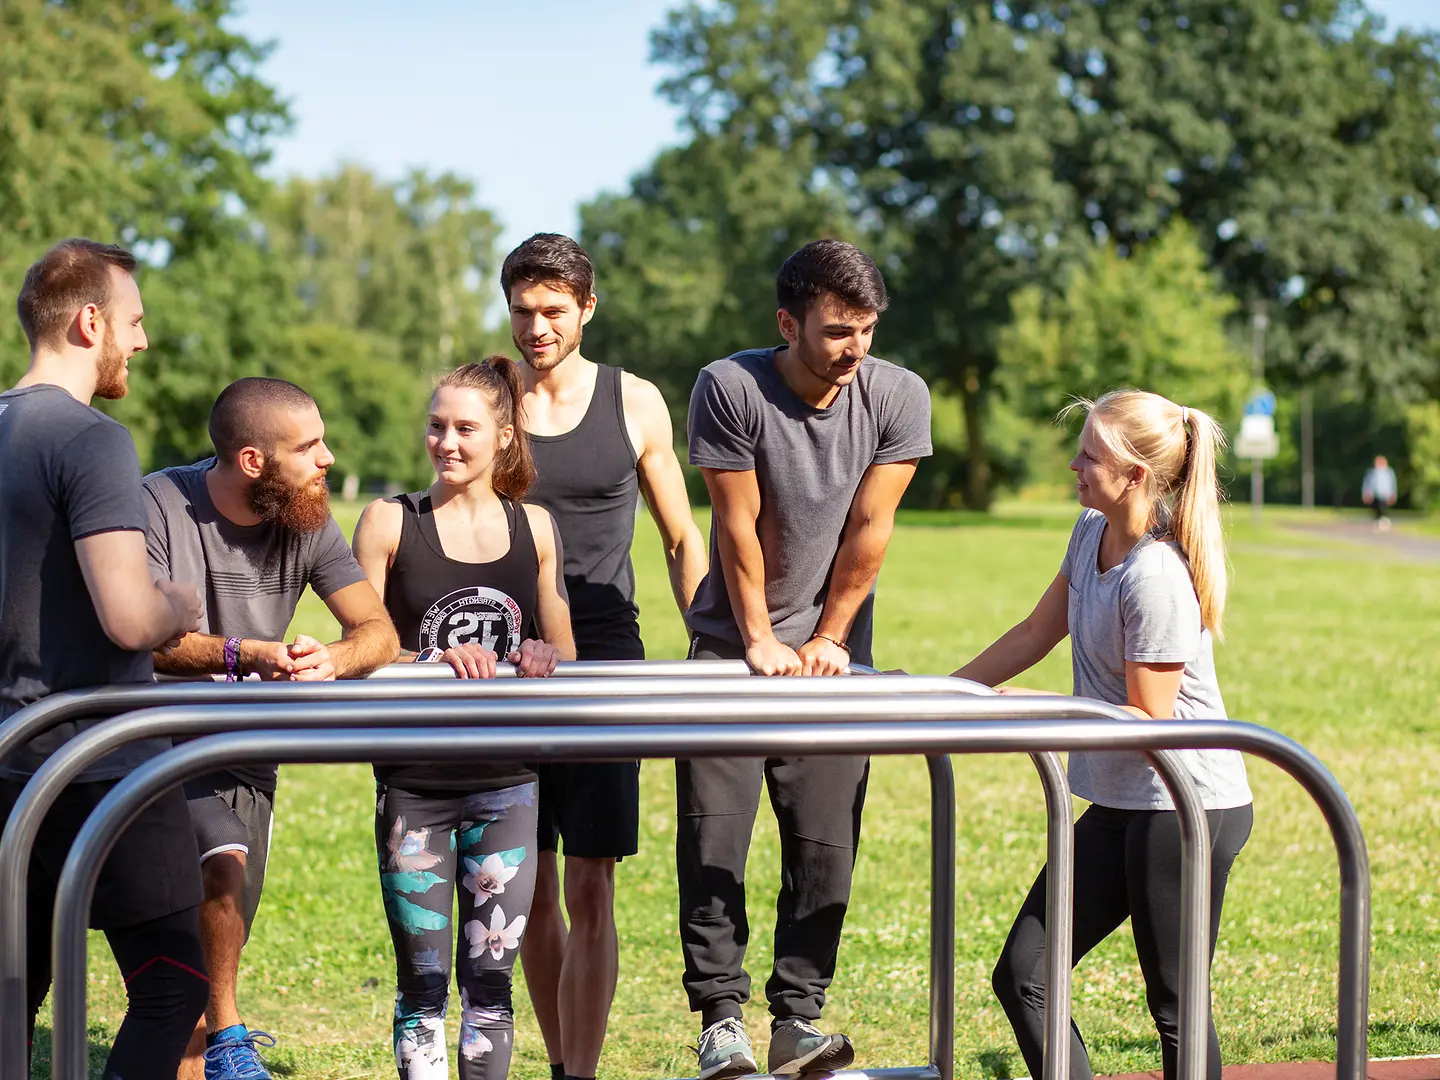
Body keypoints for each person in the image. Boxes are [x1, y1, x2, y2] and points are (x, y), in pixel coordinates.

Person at [680, 239, 932, 1078]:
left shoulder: (897, 395)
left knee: (826, 845)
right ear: (788, 323)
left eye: (865, 329)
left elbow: (871, 529)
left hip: (833, 648)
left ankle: (799, 1017)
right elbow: (736, 523)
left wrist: (827, 638)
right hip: (731, 645)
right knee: (716, 834)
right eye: (835, 332)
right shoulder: (731, 387)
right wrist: (757, 636)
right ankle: (722, 1019)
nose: (854, 348)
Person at [950, 390, 1253, 1080]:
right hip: (1125, 801)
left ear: (1136, 475)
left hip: (1185, 806)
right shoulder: (1090, 532)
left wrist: (1032, 708)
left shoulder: (1156, 578)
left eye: (1090, 455)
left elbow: (1147, 725)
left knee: (1175, 1004)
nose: (1073, 465)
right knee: (1024, 974)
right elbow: (1035, 632)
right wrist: (951, 687)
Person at [143, 376, 400, 1080]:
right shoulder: (158, 504)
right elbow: (144, 638)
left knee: (230, 900)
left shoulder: (307, 514)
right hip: (155, 734)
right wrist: (244, 652)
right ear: (253, 460)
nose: (329, 458)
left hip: (248, 743)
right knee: (217, 869)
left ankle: (208, 1035)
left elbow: (377, 630)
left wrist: (334, 658)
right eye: (309, 446)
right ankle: (220, 1038)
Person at [0, 239, 208, 1078]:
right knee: (172, 985)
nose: (143, 343)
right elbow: (130, 618)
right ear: (91, 323)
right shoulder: (92, 440)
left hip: (10, 756)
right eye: (135, 321)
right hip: (96, 758)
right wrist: (182, 601)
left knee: (17, 985)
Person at [501, 232, 707, 1080]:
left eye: (553, 311)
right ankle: (557, 1063)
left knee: (591, 882)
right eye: (522, 310)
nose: (536, 327)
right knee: (529, 885)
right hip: (508, 659)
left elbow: (680, 534)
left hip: (603, 660)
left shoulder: (635, 400)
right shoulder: (490, 396)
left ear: (587, 308)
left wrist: (712, 643)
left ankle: (578, 1072)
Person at [352, 356, 576, 1079]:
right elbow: (359, 647)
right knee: (422, 989)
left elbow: (564, 647)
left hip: (508, 783)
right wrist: (431, 660)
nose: (447, 442)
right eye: (436, 426)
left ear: (504, 439)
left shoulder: (534, 527)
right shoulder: (390, 522)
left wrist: (542, 654)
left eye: (466, 429)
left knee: (490, 988)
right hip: (414, 785)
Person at [1362, 454, 1398, 532]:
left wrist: (1393, 494)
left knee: (1383, 508)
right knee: (1376, 509)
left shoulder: (1388, 472)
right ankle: (1377, 523)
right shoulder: (1372, 472)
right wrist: (1366, 493)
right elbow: (1367, 483)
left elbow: (1392, 483)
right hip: (1375, 494)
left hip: (1385, 494)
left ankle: (1383, 523)